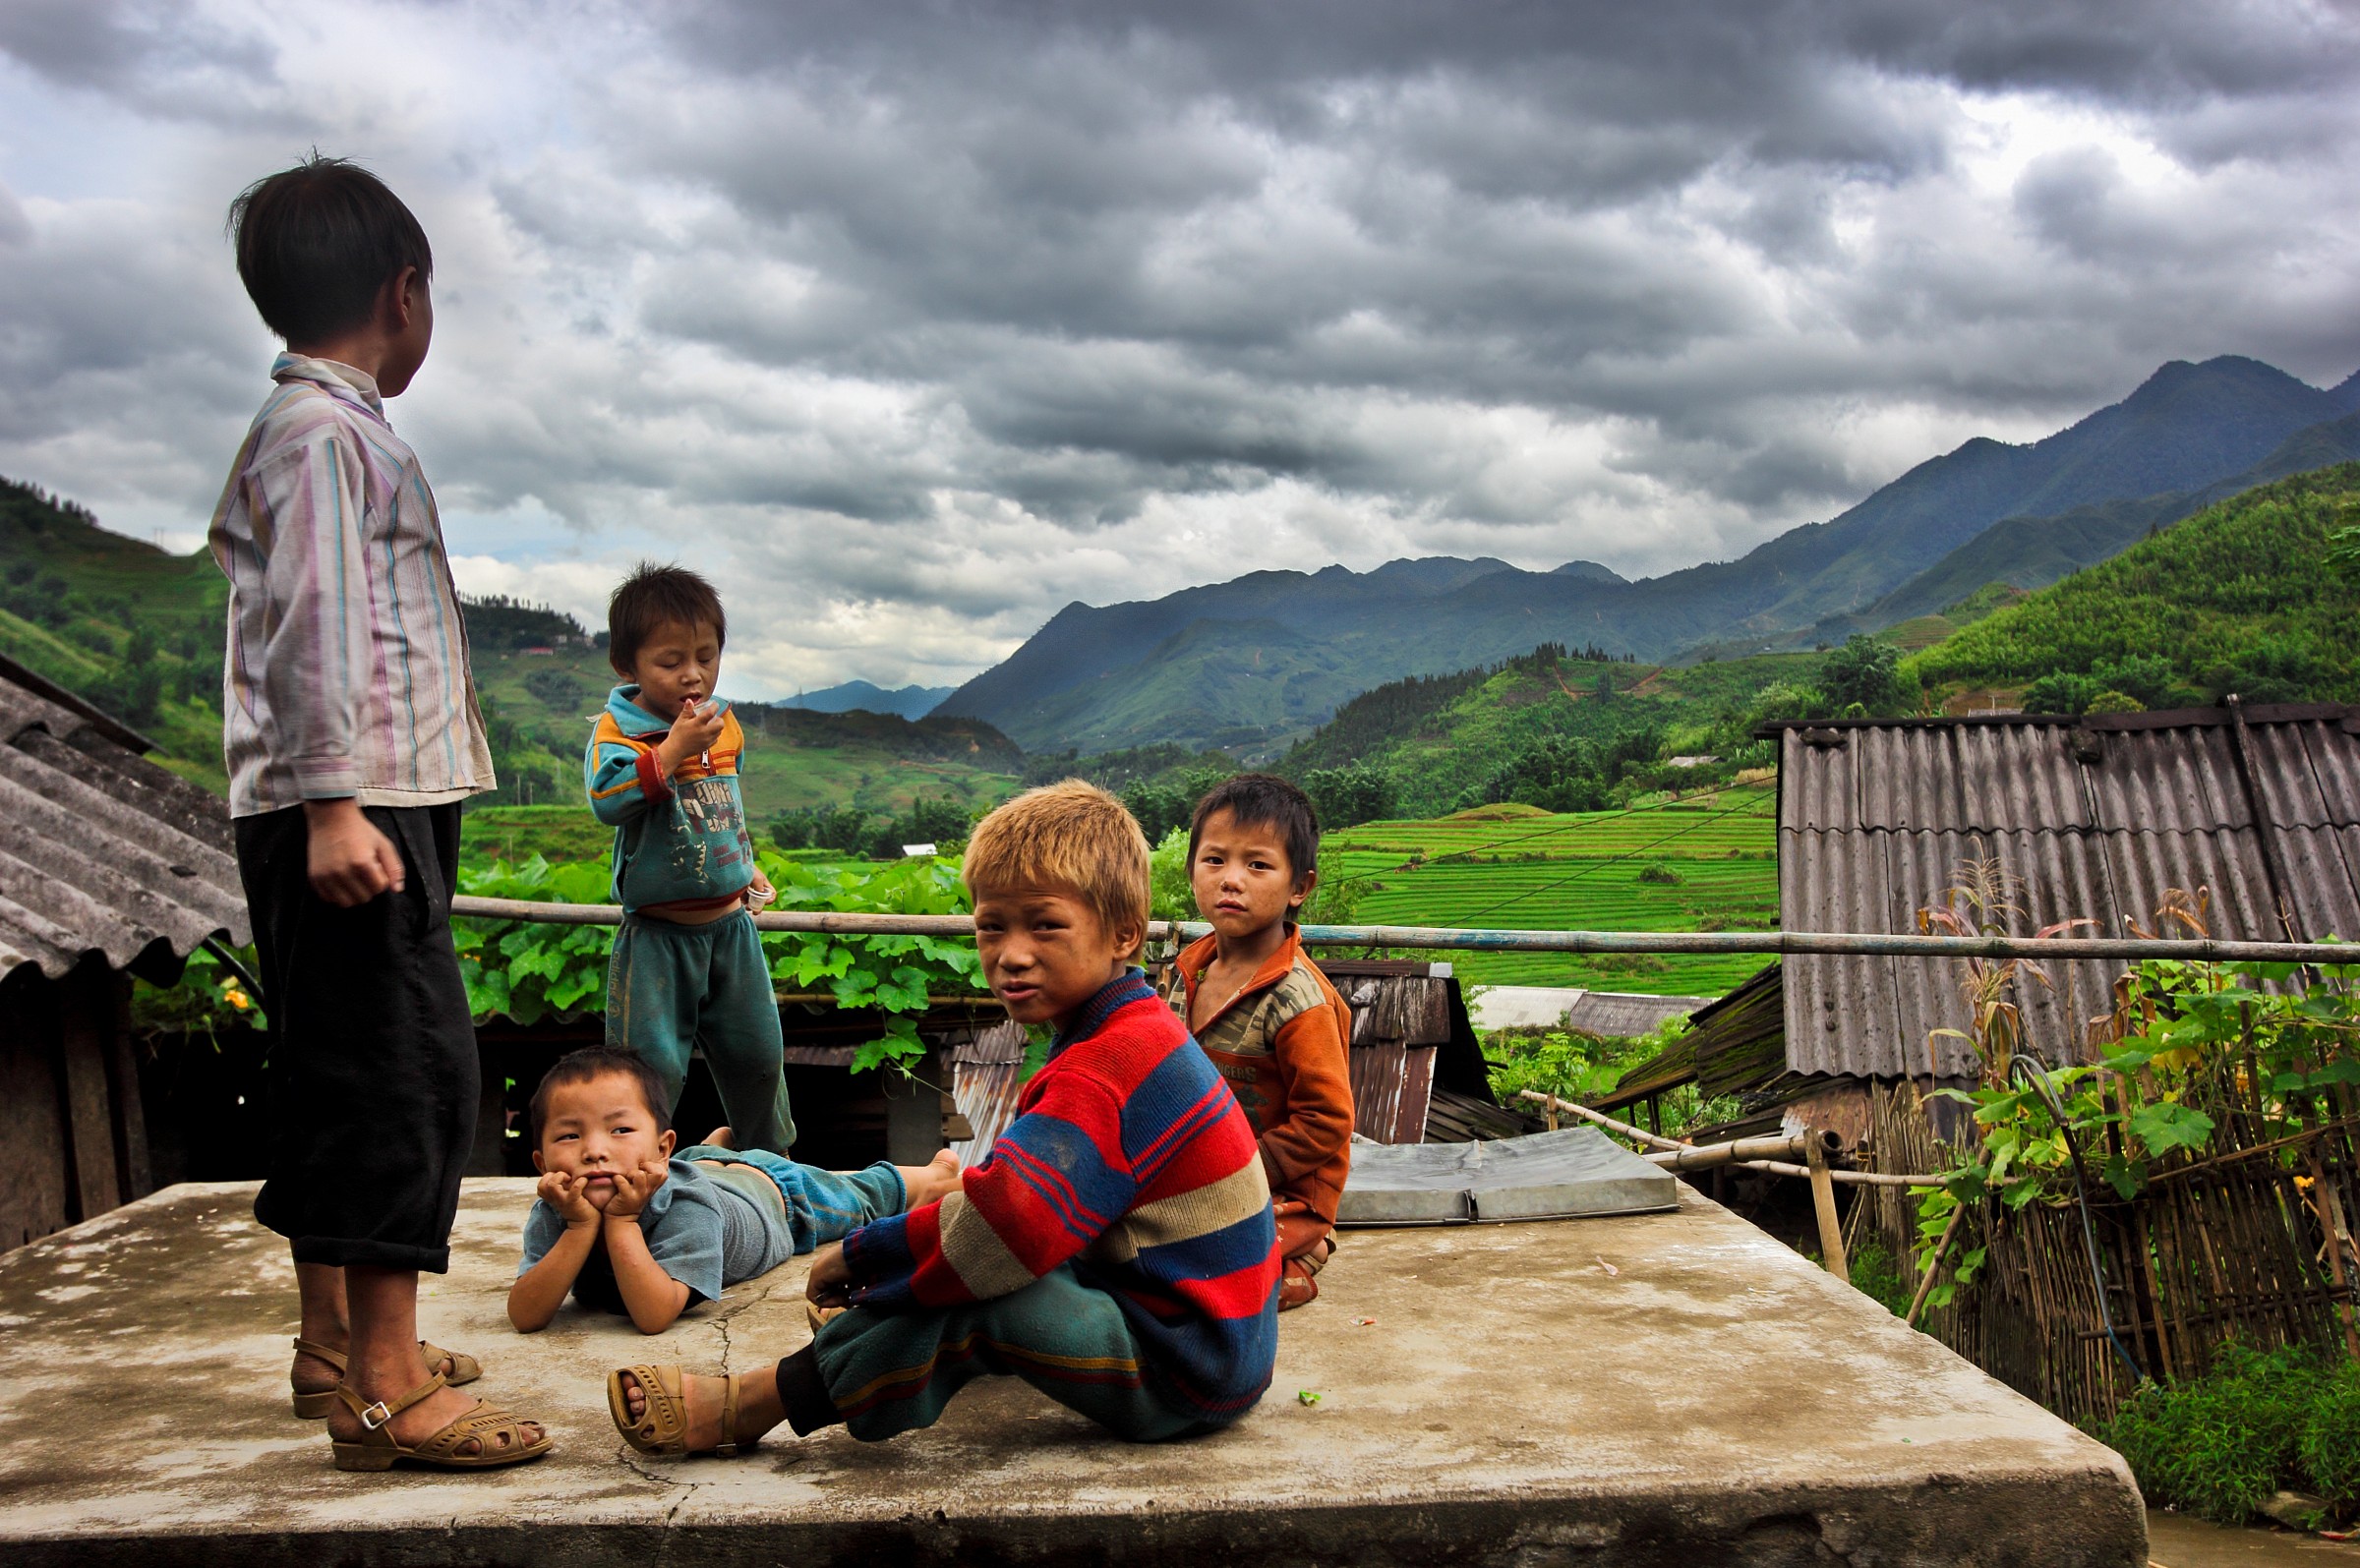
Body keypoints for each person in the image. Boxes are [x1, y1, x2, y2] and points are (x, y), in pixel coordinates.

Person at [605, 781, 1280, 1457]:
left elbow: (1004, 1225)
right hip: (1208, 1336)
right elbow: (1028, 1197)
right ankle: (886, 1352)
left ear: (1123, 933)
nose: (1011, 953)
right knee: (965, 1262)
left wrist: (867, 1254)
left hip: (1184, 1368)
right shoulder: (1130, 1029)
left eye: (1045, 924)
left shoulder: (1101, 1070)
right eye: (992, 925)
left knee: (974, 1292)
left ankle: (750, 1402)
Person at [209, 154, 547, 1472]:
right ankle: (392, 1383)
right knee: (408, 1070)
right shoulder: (327, 438)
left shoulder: (312, 433)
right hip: (357, 805)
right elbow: (319, 626)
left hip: (353, 798)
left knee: (344, 1060)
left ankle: (334, 1341)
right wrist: (337, 804)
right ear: (404, 293)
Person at [508, 1047, 961, 1335]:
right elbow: (526, 1316)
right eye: (570, 1137)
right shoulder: (557, 1210)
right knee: (700, 1167)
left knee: (860, 1195)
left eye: (620, 1129)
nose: (595, 1151)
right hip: (699, 1171)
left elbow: (652, 1315)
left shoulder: (685, 1206)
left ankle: (932, 1174)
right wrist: (580, 1226)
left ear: (661, 1149)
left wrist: (623, 1221)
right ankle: (710, 1150)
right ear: (541, 1163)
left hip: (775, 1195)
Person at [588, 564, 796, 1153]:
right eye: (671, 660)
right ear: (627, 666)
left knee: (759, 1057)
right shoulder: (619, 730)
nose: (693, 674)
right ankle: (634, 1177)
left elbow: (723, 805)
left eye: (706, 657)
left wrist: (744, 862)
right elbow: (607, 800)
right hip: (657, 940)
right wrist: (673, 749)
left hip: (731, 932)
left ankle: (771, 1169)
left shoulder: (722, 723)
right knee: (648, 1071)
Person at [1163, 775, 1354, 1308]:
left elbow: (1326, 1120)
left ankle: (1299, 1259)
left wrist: (1237, 1171)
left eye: (1258, 865)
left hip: (1279, 1191)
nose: (1232, 880)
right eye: (1215, 860)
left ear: (1300, 887)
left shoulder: (1300, 1000)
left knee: (1196, 1282)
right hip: (1196, 1175)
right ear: (1192, 870)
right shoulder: (1185, 972)